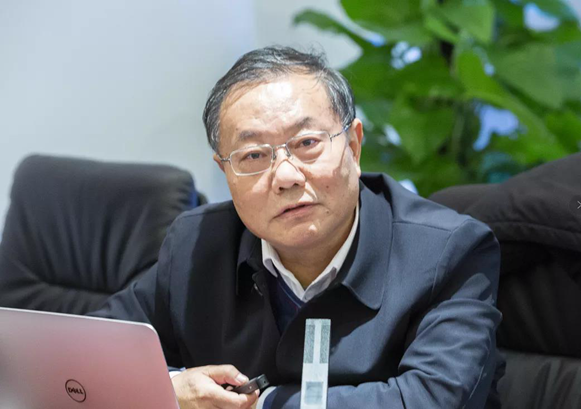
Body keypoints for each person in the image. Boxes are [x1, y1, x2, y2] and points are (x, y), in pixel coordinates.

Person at [92, 46, 503, 409]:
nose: (286, 176)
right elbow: (90, 356)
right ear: (225, 172)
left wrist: (262, 405)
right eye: (254, 155)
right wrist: (170, 387)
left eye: (307, 143)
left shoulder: (448, 252)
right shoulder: (196, 244)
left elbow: (431, 399)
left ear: (354, 146)